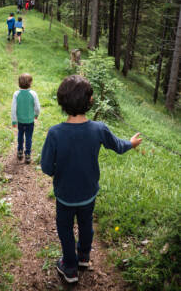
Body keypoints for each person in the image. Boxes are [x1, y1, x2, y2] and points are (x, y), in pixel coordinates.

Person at [41, 75, 142, 284]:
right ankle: (84, 257)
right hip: (89, 193)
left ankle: (69, 267)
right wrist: (131, 143)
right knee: (86, 224)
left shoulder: (55, 133)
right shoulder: (99, 129)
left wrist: (56, 173)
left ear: (62, 102)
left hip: (65, 195)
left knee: (65, 229)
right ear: (90, 102)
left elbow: (46, 167)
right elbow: (119, 146)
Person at [11, 73, 40, 164]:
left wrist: (14, 120)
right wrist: (36, 114)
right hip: (30, 121)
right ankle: (27, 155)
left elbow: (13, 108)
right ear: (30, 83)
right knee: (28, 137)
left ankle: (20, 151)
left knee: (20, 135)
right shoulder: (33, 93)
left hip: (20, 121)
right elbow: (37, 107)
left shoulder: (16, 94)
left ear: (19, 83)